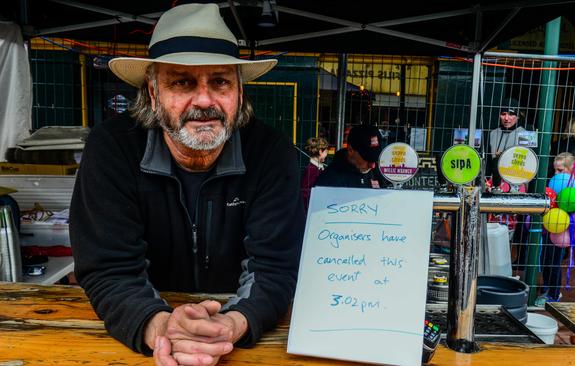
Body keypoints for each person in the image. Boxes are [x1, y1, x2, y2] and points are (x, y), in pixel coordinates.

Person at [69, 3, 305, 366]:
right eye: (182, 81)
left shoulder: (272, 153)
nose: (205, 100)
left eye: (220, 81)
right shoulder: (113, 148)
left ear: (239, 92)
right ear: (152, 91)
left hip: (237, 343)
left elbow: (274, 268)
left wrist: (230, 325)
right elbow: (108, 269)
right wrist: (161, 328)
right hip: (145, 339)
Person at [535, 152, 575, 306]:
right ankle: (547, 286)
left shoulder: (573, 186)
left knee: (554, 261)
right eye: (555, 170)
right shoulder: (554, 182)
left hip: (562, 230)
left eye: (561, 170)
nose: (556, 174)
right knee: (545, 258)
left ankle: (554, 293)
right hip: (550, 225)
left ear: (571, 169)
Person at [315, 125, 388, 189]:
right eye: (367, 158)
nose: (372, 165)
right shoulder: (330, 180)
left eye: (375, 158)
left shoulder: (377, 173)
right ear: (350, 150)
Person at [487, 98, 527, 186]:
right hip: (493, 183)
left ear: (518, 116)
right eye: (503, 114)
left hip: (516, 183)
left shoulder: (525, 134)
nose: (506, 118)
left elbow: (527, 162)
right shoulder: (493, 133)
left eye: (511, 114)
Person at [300, 137, 328, 209]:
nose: (327, 154)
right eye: (326, 151)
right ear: (320, 152)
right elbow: (305, 193)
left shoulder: (317, 168)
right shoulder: (312, 170)